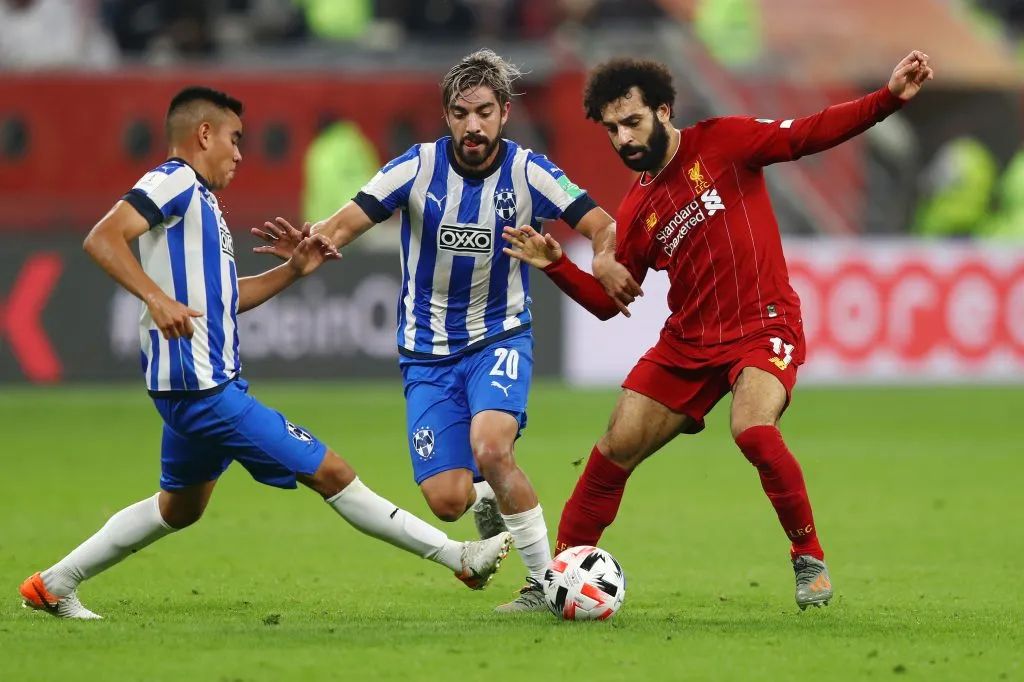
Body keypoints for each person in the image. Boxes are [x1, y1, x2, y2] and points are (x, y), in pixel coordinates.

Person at [18, 86, 512, 620]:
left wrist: (293, 270)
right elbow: (103, 237)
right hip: (203, 389)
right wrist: (156, 298)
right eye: (233, 139)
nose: (238, 153)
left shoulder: (202, 203)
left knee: (179, 508)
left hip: (196, 386)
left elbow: (229, 300)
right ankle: (459, 556)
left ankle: (53, 583)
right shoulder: (173, 180)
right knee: (332, 472)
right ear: (203, 134)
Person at [502, 51, 934, 609]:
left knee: (752, 429)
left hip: (762, 322)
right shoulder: (637, 209)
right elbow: (611, 304)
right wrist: (558, 265)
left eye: (632, 121)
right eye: (612, 129)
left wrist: (888, 97)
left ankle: (809, 559)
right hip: (689, 341)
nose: (623, 138)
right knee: (614, 449)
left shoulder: (726, 141)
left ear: (663, 110)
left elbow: (808, 133)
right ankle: (553, 582)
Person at [251, 49, 639, 612]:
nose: (473, 125)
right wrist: (311, 246)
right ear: (447, 115)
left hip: (499, 337)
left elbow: (603, 224)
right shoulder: (415, 168)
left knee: (491, 447)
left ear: (504, 113)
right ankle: (486, 495)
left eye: (484, 112)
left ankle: (542, 586)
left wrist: (603, 257)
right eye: (461, 113)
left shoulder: (530, 171)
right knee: (447, 501)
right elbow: (343, 222)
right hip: (426, 354)